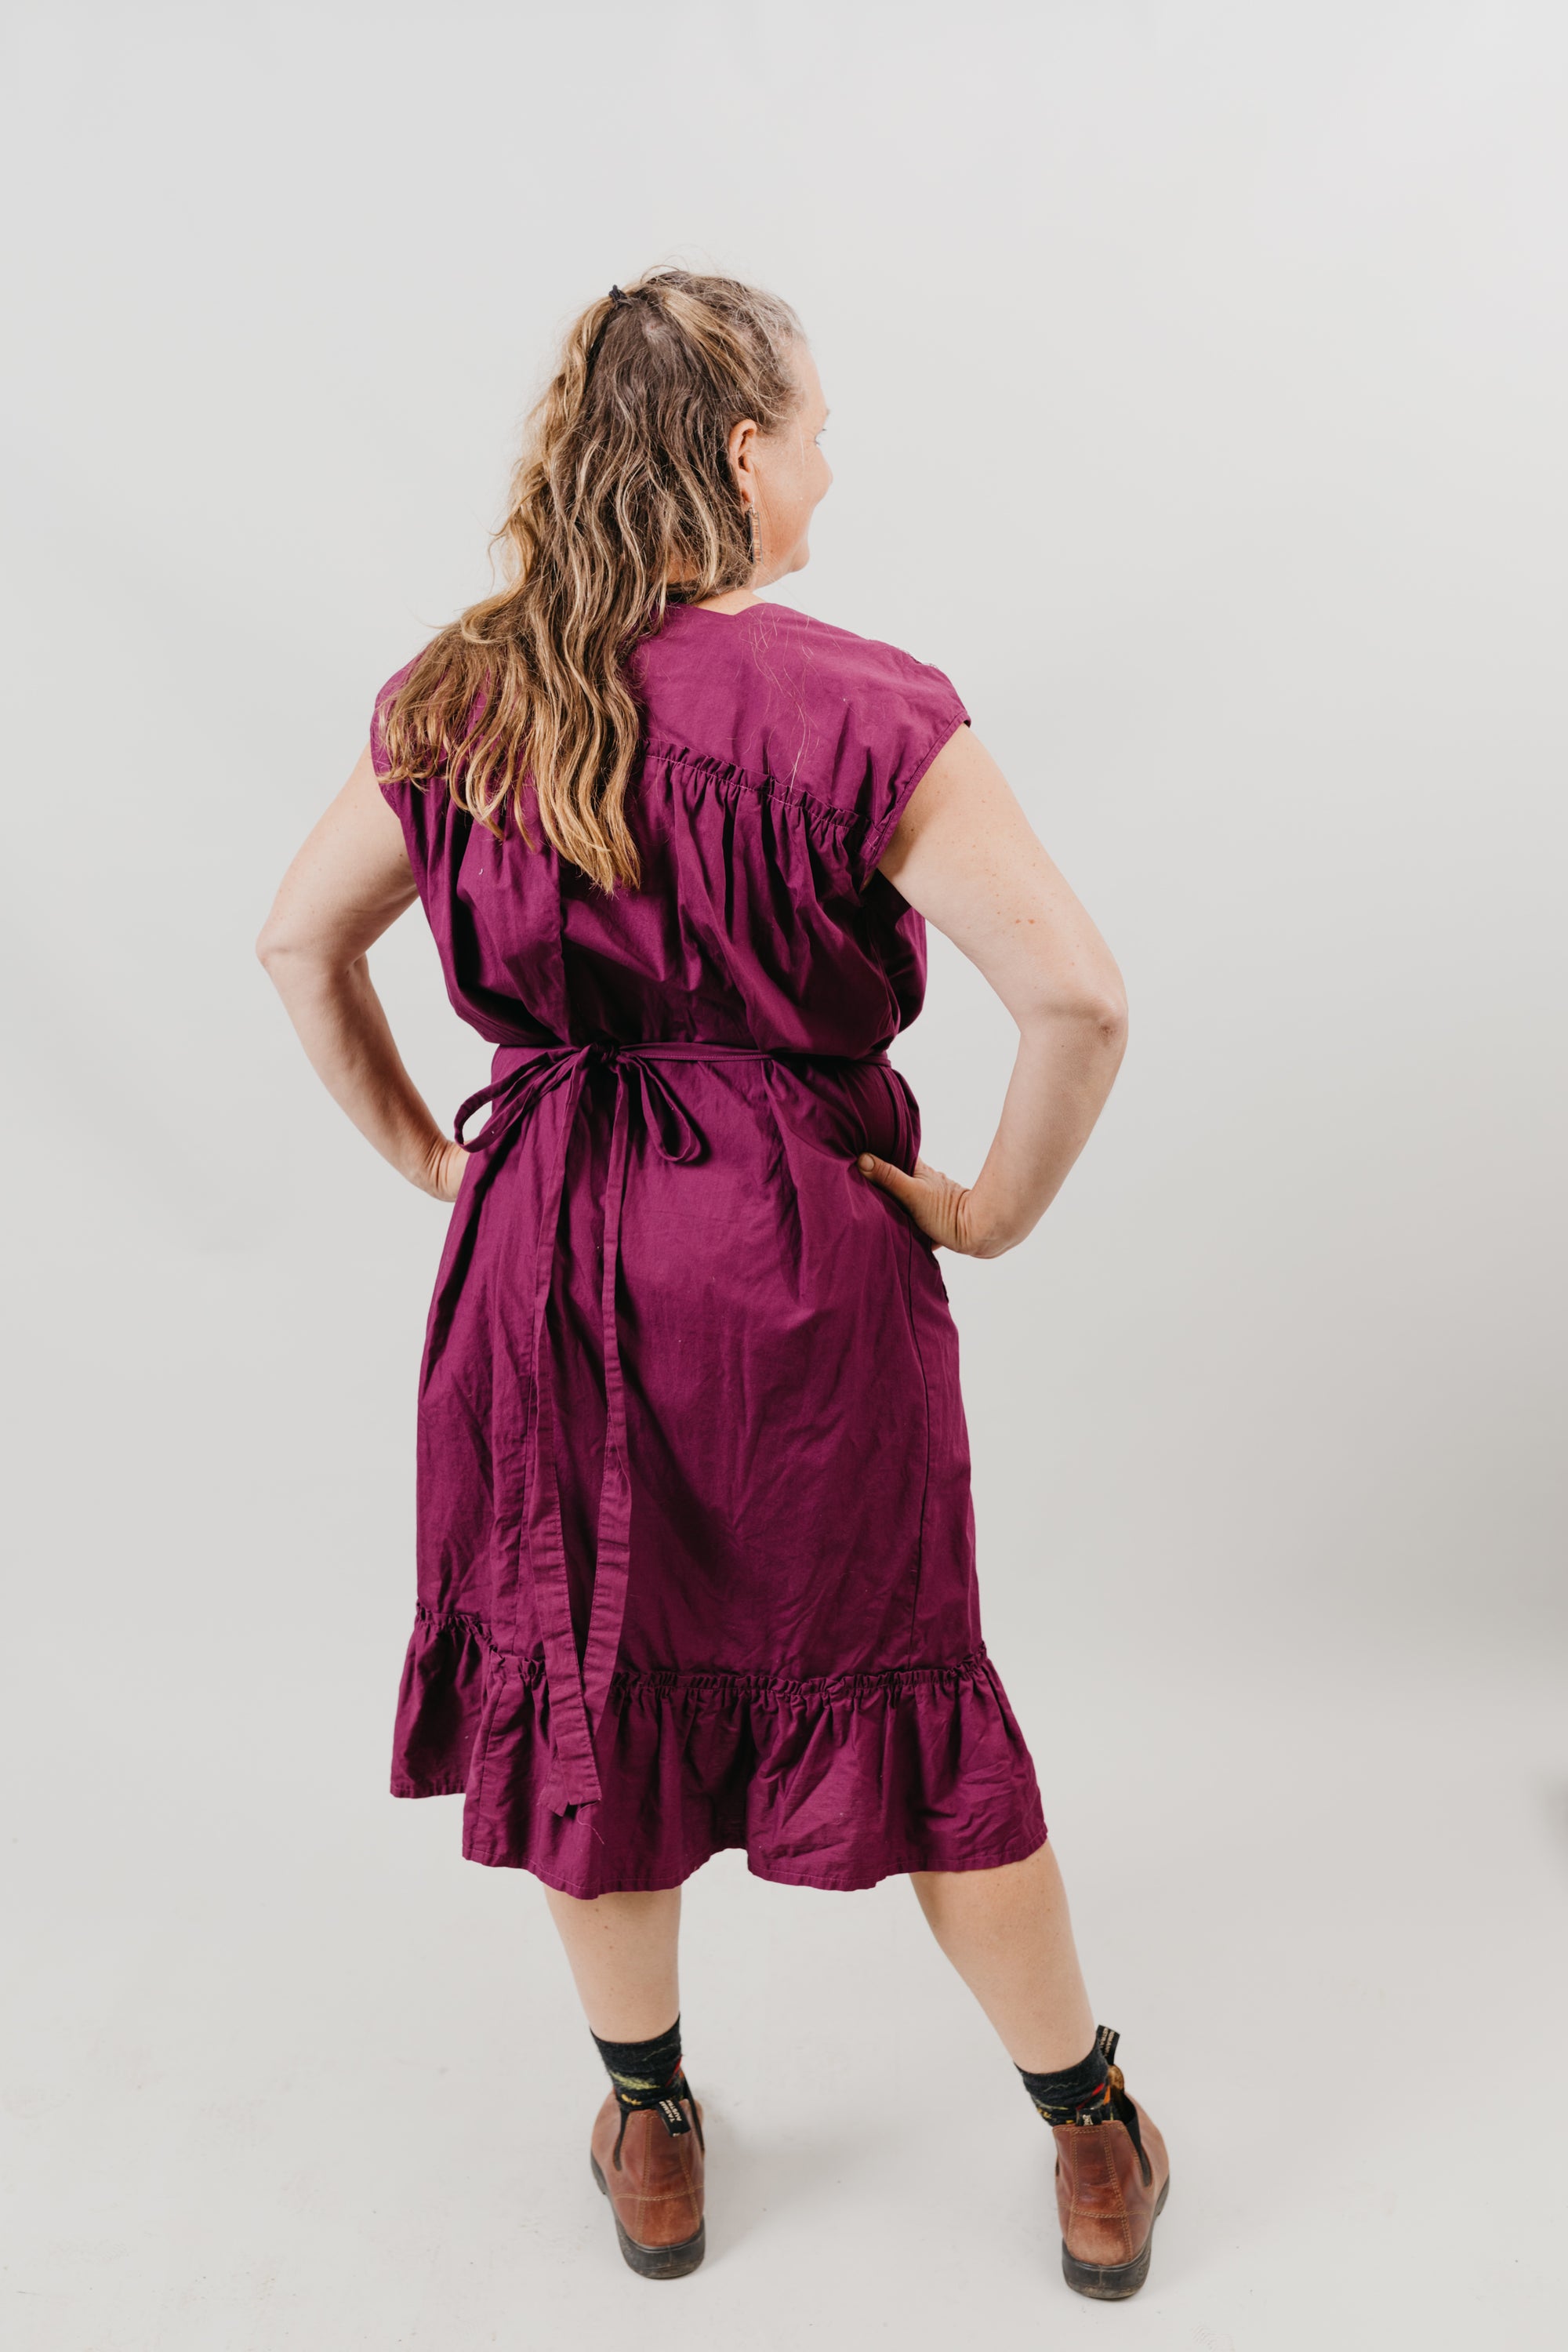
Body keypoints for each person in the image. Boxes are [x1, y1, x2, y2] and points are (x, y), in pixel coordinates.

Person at [257, 268, 1168, 2298]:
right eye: (817, 426)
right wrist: (987, 1211)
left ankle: (649, 2117)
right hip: (798, 1264)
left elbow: (294, 943)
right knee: (908, 1679)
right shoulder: (864, 705)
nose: (833, 460)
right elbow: (1079, 997)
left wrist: (438, 1159)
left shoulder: (467, 692)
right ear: (741, 451)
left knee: (593, 1680)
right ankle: (1088, 2126)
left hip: (550, 1258)